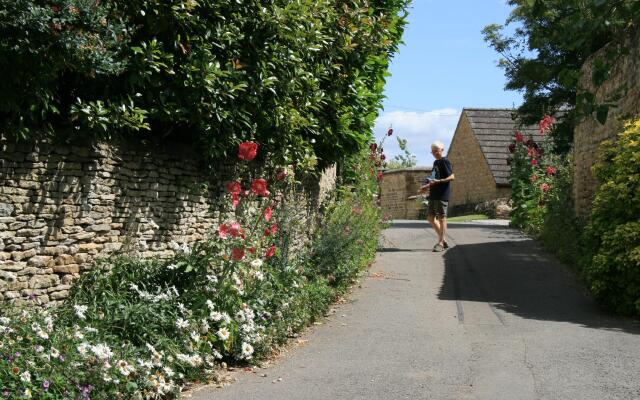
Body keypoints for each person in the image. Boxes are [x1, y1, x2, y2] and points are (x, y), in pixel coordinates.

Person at [421, 141, 454, 252]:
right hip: (433, 194)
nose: (435, 153)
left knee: (441, 218)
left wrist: (439, 181)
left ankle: (440, 242)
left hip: (442, 194)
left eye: (436, 150)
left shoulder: (445, 161)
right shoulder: (436, 162)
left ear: (442, 150)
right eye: (433, 151)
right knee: (430, 218)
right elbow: (433, 176)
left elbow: (452, 176)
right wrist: (426, 185)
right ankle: (443, 240)